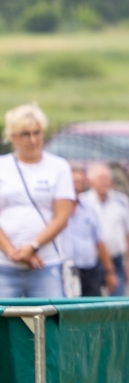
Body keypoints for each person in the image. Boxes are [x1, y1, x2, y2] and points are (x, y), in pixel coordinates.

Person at [0, 104, 76, 300]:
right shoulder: (2, 166)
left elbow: (62, 216)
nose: (33, 140)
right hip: (4, 264)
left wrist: (33, 246)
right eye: (25, 134)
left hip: (46, 262)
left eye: (37, 133)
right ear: (13, 136)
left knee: (48, 315)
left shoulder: (59, 166)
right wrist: (13, 252)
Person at [58, 162, 110, 296]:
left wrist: (109, 270)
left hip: (88, 269)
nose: (77, 185)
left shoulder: (89, 208)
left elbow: (99, 240)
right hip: (63, 269)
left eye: (80, 181)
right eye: (74, 181)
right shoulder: (56, 209)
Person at [85, 163, 129, 295]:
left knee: (117, 301)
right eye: (100, 178)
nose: (104, 182)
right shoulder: (84, 202)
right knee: (93, 301)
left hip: (116, 258)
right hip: (92, 261)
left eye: (107, 178)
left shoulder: (122, 201)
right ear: (91, 181)